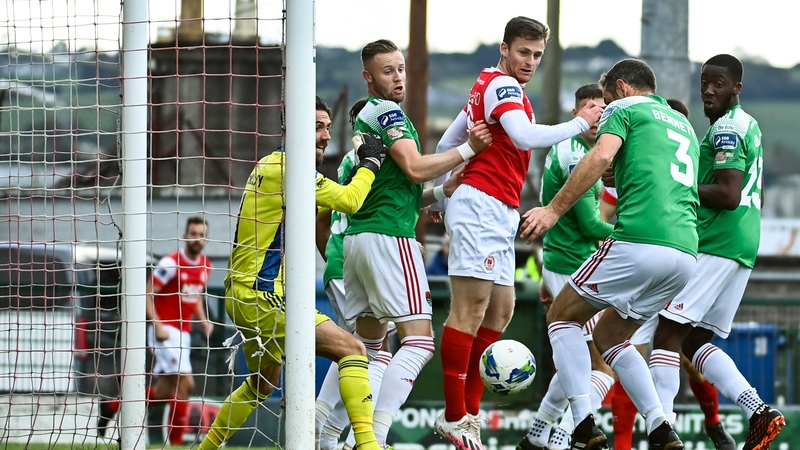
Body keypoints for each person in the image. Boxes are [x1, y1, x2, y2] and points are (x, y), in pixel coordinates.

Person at [429, 17, 603, 449]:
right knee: (469, 311)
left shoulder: (492, 87)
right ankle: (456, 416)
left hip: (497, 207)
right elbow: (525, 138)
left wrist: (442, 197)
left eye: (538, 55)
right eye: (523, 52)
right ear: (504, 48)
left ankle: (466, 414)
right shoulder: (502, 87)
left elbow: (445, 145)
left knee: (501, 310)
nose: (530, 61)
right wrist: (581, 122)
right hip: (483, 206)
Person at [519, 58, 700, 450]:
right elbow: (655, 174)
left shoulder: (623, 108)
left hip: (639, 241)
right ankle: (660, 426)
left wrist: (551, 210)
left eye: (604, 100)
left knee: (560, 317)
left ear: (620, 87)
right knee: (612, 337)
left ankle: (581, 423)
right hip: (686, 252)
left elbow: (600, 155)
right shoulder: (682, 122)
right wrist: (619, 172)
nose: (602, 113)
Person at [197, 96, 390, 450]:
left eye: (328, 128)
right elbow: (349, 200)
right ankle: (367, 445)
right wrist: (372, 163)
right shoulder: (291, 170)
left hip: (243, 296)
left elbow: (326, 212)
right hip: (264, 296)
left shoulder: (272, 166)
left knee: (262, 384)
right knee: (353, 350)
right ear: (292, 130)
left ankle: (205, 448)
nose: (325, 136)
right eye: (317, 127)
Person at [342, 38, 493, 448]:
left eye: (401, 69)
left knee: (370, 352)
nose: (397, 78)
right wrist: (467, 149)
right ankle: (374, 437)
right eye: (387, 71)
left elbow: (401, 193)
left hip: (358, 240)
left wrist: (443, 191)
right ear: (368, 78)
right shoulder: (387, 113)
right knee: (421, 341)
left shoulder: (364, 121)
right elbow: (413, 169)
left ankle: (327, 430)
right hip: (389, 239)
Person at [649, 54, 784, 450]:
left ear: (736, 88)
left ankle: (664, 430)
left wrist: (677, 188)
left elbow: (727, 194)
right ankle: (758, 411)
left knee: (667, 333)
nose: (709, 90)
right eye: (705, 82)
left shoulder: (727, 128)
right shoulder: (747, 124)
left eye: (719, 83)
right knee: (693, 341)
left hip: (719, 241)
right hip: (742, 242)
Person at [607, 98, 735, 450]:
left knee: (669, 350)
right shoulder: (637, 161)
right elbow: (606, 210)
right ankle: (649, 436)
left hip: (662, 261)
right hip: (666, 262)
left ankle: (708, 424)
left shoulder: (672, 166)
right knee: (638, 349)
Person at [516, 84, 616, 450]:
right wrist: (630, 235)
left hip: (567, 264)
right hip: (575, 268)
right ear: (576, 114)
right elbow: (590, 226)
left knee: (574, 359)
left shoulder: (590, 151)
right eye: (588, 108)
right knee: (602, 366)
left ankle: (540, 433)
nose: (596, 115)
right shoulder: (574, 154)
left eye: (602, 108)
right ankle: (570, 434)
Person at [143, 217, 213, 445]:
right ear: (185, 236)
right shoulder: (170, 263)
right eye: (193, 234)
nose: (197, 239)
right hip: (166, 330)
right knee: (186, 384)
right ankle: (176, 442)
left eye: (201, 234)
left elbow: (196, 296)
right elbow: (147, 294)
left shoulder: (206, 265)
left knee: (166, 390)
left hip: (184, 333)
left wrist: (203, 320)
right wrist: (158, 325)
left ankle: (113, 405)